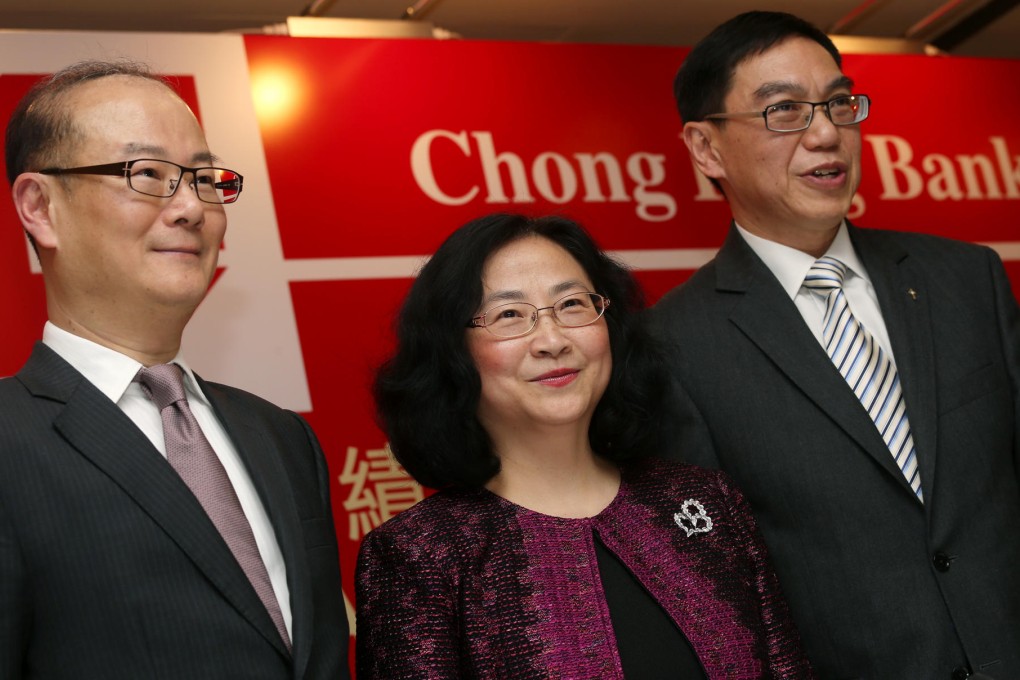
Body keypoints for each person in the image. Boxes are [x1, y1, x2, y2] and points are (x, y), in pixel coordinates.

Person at [647, 11, 1020, 680]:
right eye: (784, 110)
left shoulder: (966, 279)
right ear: (705, 148)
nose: (826, 134)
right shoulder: (673, 345)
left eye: (840, 103)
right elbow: (713, 588)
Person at [0, 61, 349, 679]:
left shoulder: (280, 437)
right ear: (40, 206)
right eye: (149, 174)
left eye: (204, 178)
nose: (191, 206)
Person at [355, 212, 814, 679]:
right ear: (452, 352)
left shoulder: (705, 501)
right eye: (509, 315)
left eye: (572, 305)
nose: (552, 340)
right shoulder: (421, 554)